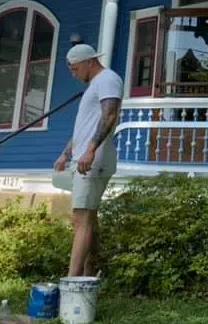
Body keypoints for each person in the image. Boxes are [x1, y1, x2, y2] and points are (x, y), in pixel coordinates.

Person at [53, 44, 122, 277]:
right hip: (84, 158)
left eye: (75, 69)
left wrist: (91, 150)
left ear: (88, 62)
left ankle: (72, 282)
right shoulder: (96, 85)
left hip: (93, 161)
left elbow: (109, 115)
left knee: (81, 219)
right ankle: (89, 275)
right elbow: (85, 127)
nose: (74, 74)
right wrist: (66, 153)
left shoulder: (107, 79)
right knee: (88, 218)